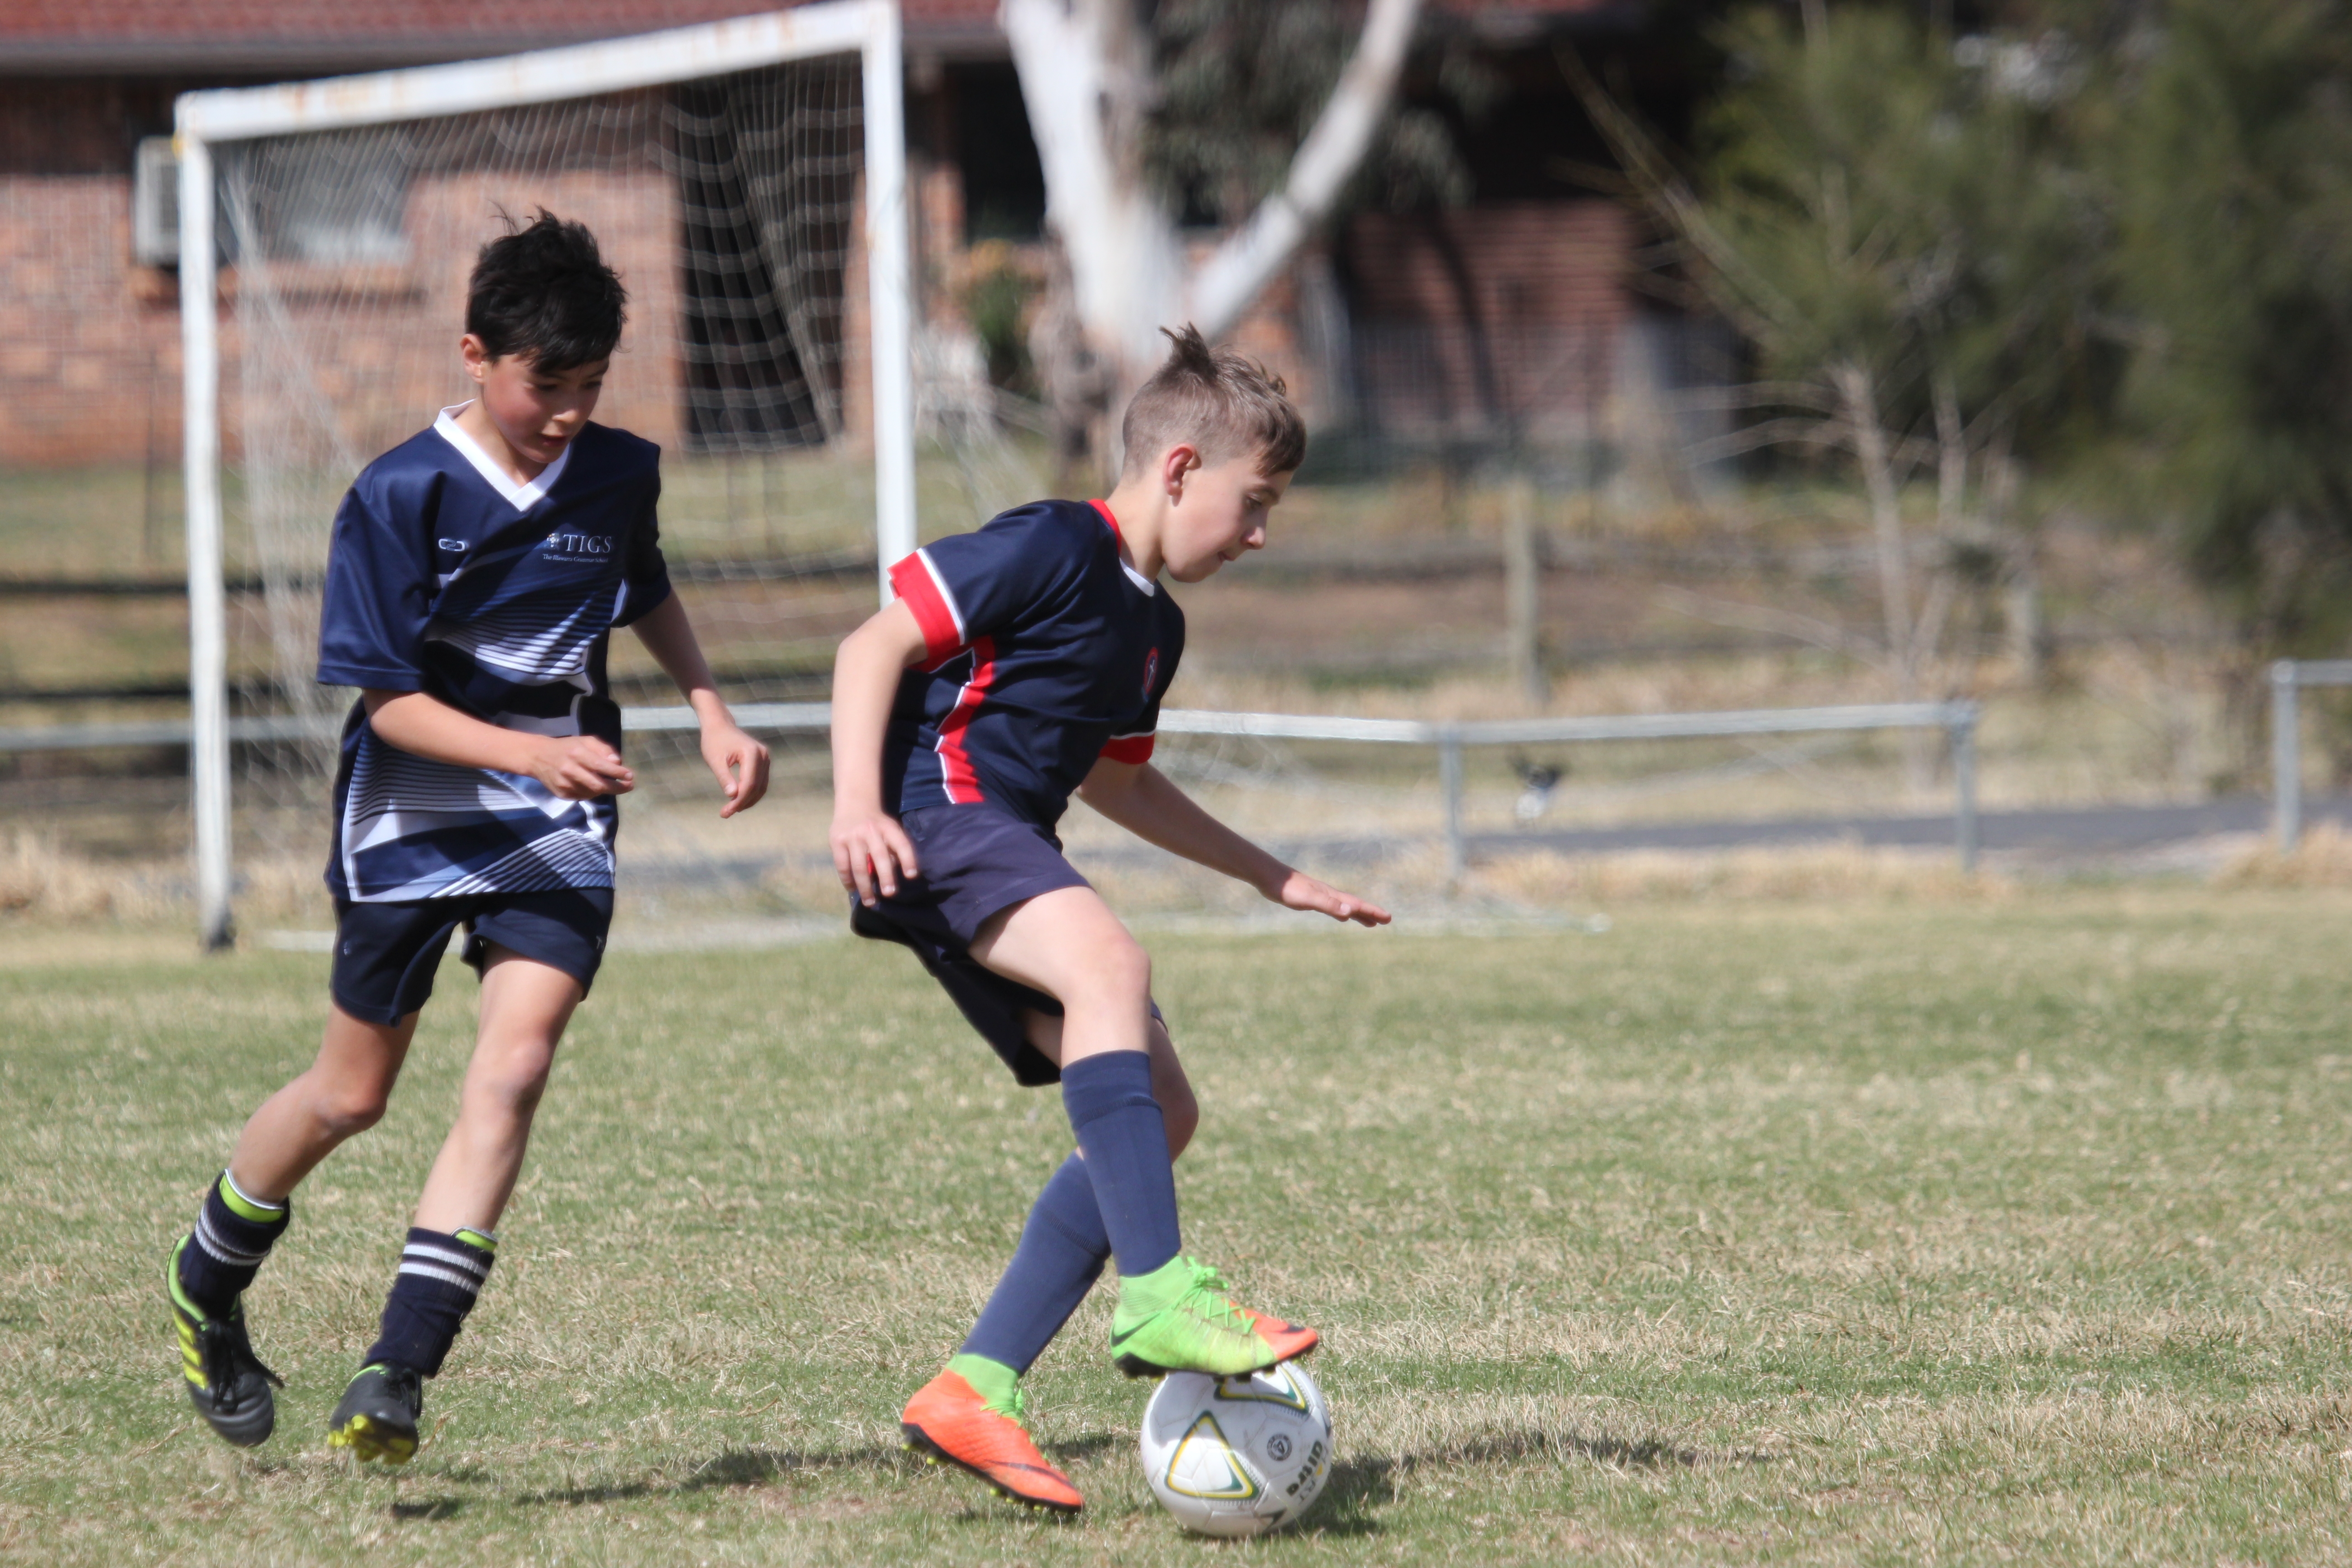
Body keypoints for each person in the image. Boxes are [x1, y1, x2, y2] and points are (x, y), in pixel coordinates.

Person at [165, 212, 770, 1465]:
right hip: (411, 807)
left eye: (590, 387)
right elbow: (391, 703)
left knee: (516, 1063)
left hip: (558, 812)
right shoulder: (398, 494)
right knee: (352, 1095)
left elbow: (640, 583)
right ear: (474, 355)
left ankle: (396, 1372)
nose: (566, 412)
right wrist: (530, 750)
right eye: (546, 385)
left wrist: (709, 707)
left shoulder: (617, 470)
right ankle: (206, 1285)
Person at [828, 325, 1391, 1514]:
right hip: (941, 818)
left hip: (1003, 840)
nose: (1259, 535)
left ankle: (976, 1384)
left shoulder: (1155, 628)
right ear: (1181, 467)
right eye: (1254, 503)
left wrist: (1272, 876)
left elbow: (1120, 783)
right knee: (1113, 968)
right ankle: (1159, 1291)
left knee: (1164, 1103)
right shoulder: (1050, 543)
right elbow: (874, 643)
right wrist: (853, 808)